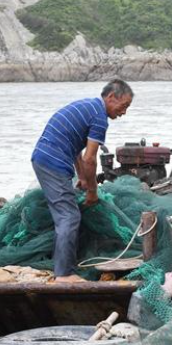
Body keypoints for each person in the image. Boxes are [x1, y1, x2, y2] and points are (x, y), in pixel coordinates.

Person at [31, 79, 134, 283]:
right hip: (53, 162)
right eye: (124, 106)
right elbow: (90, 158)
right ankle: (64, 274)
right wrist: (92, 191)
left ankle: (63, 268)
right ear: (111, 97)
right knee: (69, 216)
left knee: (65, 215)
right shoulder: (99, 118)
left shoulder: (88, 107)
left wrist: (84, 179)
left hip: (44, 158)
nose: (124, 112)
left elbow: (77, 150)